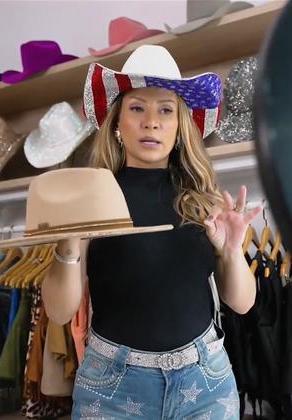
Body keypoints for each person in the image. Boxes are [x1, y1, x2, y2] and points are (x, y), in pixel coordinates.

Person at [42, 44, 261, 419]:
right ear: (116, 121)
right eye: (137, 108)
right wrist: (69, 239)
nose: (151, 122)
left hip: (204, 385)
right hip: (112, 389)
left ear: (180, 127)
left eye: (165, 110)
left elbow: (242, 303)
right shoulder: (90, 200)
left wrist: (231, 252)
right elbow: (60, 312)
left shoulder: (205, 204)